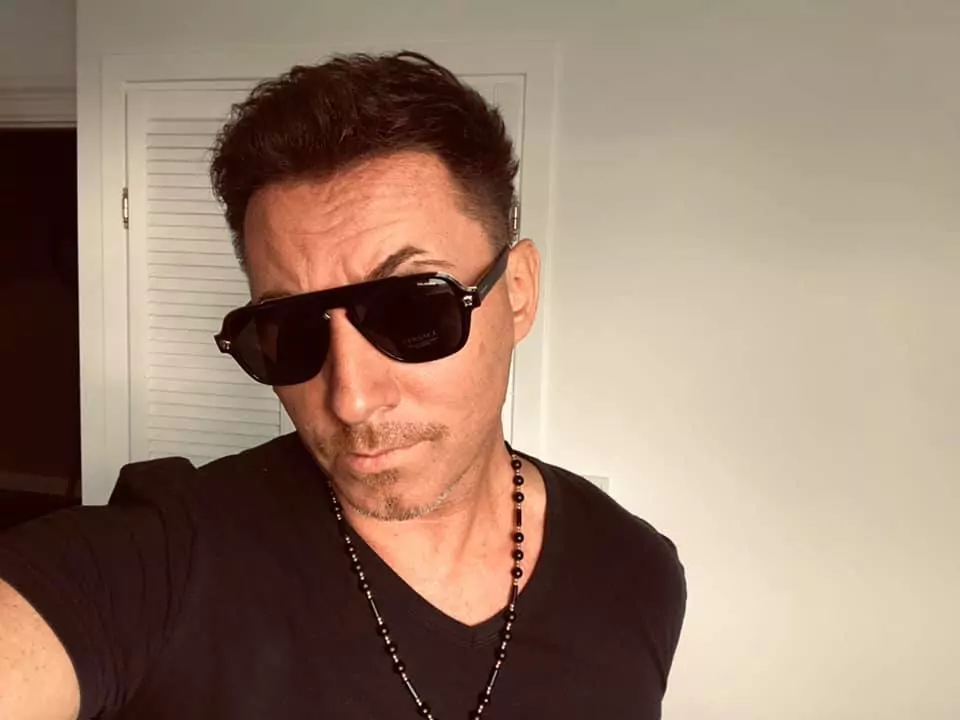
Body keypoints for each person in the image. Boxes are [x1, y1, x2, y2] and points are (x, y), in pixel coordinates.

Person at [0, 51, 686, 719]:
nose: (350, 399)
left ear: (518, 293)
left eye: (411, 312)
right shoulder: (169, 560)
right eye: (291, 330)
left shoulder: (635, 573)